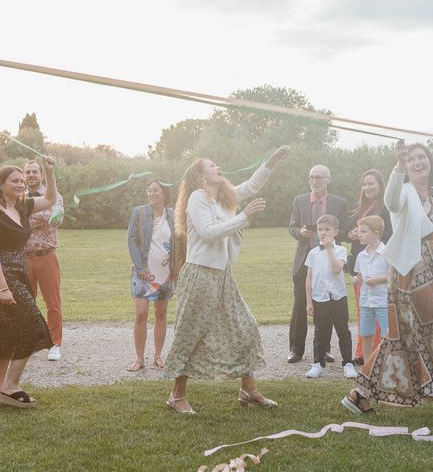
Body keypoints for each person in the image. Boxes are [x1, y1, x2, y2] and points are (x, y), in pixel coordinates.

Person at [164, 145, 289, 414]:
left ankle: (248, 390)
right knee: (190, 333)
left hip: (222, 275)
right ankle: (177, 395)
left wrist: (271, 161)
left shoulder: (222, 199)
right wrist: (245, 217)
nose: (217, 167)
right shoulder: (197, 198)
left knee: (245, 326)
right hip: (199, 274)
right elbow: (209, 233)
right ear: (199, 176)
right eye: (211, 165)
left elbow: (250, 186)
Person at [343, 142, 433, 414]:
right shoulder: (403, 192)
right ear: (406, 167)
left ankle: (360, 394)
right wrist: (397, 164)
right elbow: (390, 200)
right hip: (410, 272)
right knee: (411, 334)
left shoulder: (430, 196)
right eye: (412, 159)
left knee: (404, 336)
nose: (418, 162)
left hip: (429, 268)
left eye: (422, 157)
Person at [0, 159, 57, 408]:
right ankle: (10, 386)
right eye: (15, 181)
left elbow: (50, 199)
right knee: (33, 326)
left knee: (7, 336)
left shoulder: (22, 207)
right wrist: (4, 287)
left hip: (20, 273)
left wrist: (50, 173)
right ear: (2, 184)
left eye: (21, 180)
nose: (20, 184)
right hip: (1, 277)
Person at [288, 165, 347, 364]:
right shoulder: (300, 200)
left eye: (319, 177)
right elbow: (292, 227)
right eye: (311, 177)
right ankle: (296, 349)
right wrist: (301, 233)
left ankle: (325, 349)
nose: (314, 180)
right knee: (300, 304)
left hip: (328, 262)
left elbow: (344, 229)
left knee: (326, 305)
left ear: (328, 180)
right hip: (304, 259)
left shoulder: (339, 203)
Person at [344, 169, 392, 364]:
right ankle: (363, 353)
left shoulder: (387, 208)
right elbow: (344, 231)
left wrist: (372, 235)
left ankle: (380, 354)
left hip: (380, 263)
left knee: (380, 310)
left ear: (381, 185)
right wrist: (351, 234)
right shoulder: (359, 209)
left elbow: (389, 234)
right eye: (364, 184)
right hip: (361, 262)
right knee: (363, 308)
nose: (367, 187)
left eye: (371, 183)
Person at [127, 179, 175, 371]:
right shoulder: (139, 212)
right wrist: (140, 268)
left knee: (161, 314)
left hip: (165, 274)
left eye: (156, 190)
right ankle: (139, 359)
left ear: (164, 193)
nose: (152, 193)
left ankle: (157, 356)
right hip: (143, 273)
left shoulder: (172, 215)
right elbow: (131, 240)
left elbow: (179, 242)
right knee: (141, 314)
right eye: (149, 190)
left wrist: (175, 269)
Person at [304, 215, 356, 379]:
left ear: (335, 232)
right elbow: (309, 278)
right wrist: (308, 301)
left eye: (327, 229)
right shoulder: (312, 253)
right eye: (320, 229)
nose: (323, 233)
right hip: (319, 298)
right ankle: (318, 364)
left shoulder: (340, 250)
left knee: (343, 330)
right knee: (320, 332)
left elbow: (336, 269)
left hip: (338, 297)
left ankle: (348, 363)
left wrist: (328, 249)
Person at [24, 160, 64, 361]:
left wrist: (31, 213)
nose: (31, 175)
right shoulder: (18, 196)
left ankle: (54, 344)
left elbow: (56, 219)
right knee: (26, 303)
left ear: (41, 174)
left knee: (53, 303)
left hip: (47, 255)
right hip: (24, 257)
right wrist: (43, 214)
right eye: (28, 172)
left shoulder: (54, 195)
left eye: (34, 171)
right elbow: (17, 222)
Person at [352, 215, 389, 361]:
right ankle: (368, 366)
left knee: (387, 335)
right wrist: (356, 278)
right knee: (366, 333)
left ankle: (387, 364)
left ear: (376, 233)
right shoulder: (361, 255)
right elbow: (360, 274)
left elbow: (396, 277)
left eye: (363, 232)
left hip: (383, 301)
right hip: (366, 301)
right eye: (359, 231)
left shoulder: (387, 253)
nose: (359, 235)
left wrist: (377, 280)